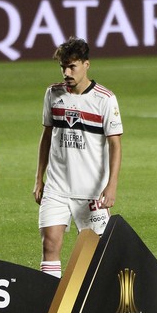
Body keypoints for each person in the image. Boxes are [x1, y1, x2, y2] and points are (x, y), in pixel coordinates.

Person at [33, 36, 123, 278]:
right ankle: (53, 307)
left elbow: (115, 143)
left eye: (72, 66)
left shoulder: (104, 99)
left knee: (98, 252)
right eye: (63, 66)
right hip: (57, 186)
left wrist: (111, 184)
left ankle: (97, 305)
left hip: (91, 190)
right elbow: (46, 136)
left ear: (86, 64)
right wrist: (38, 178)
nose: (66, 72)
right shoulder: (53, 94)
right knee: (50, 243)